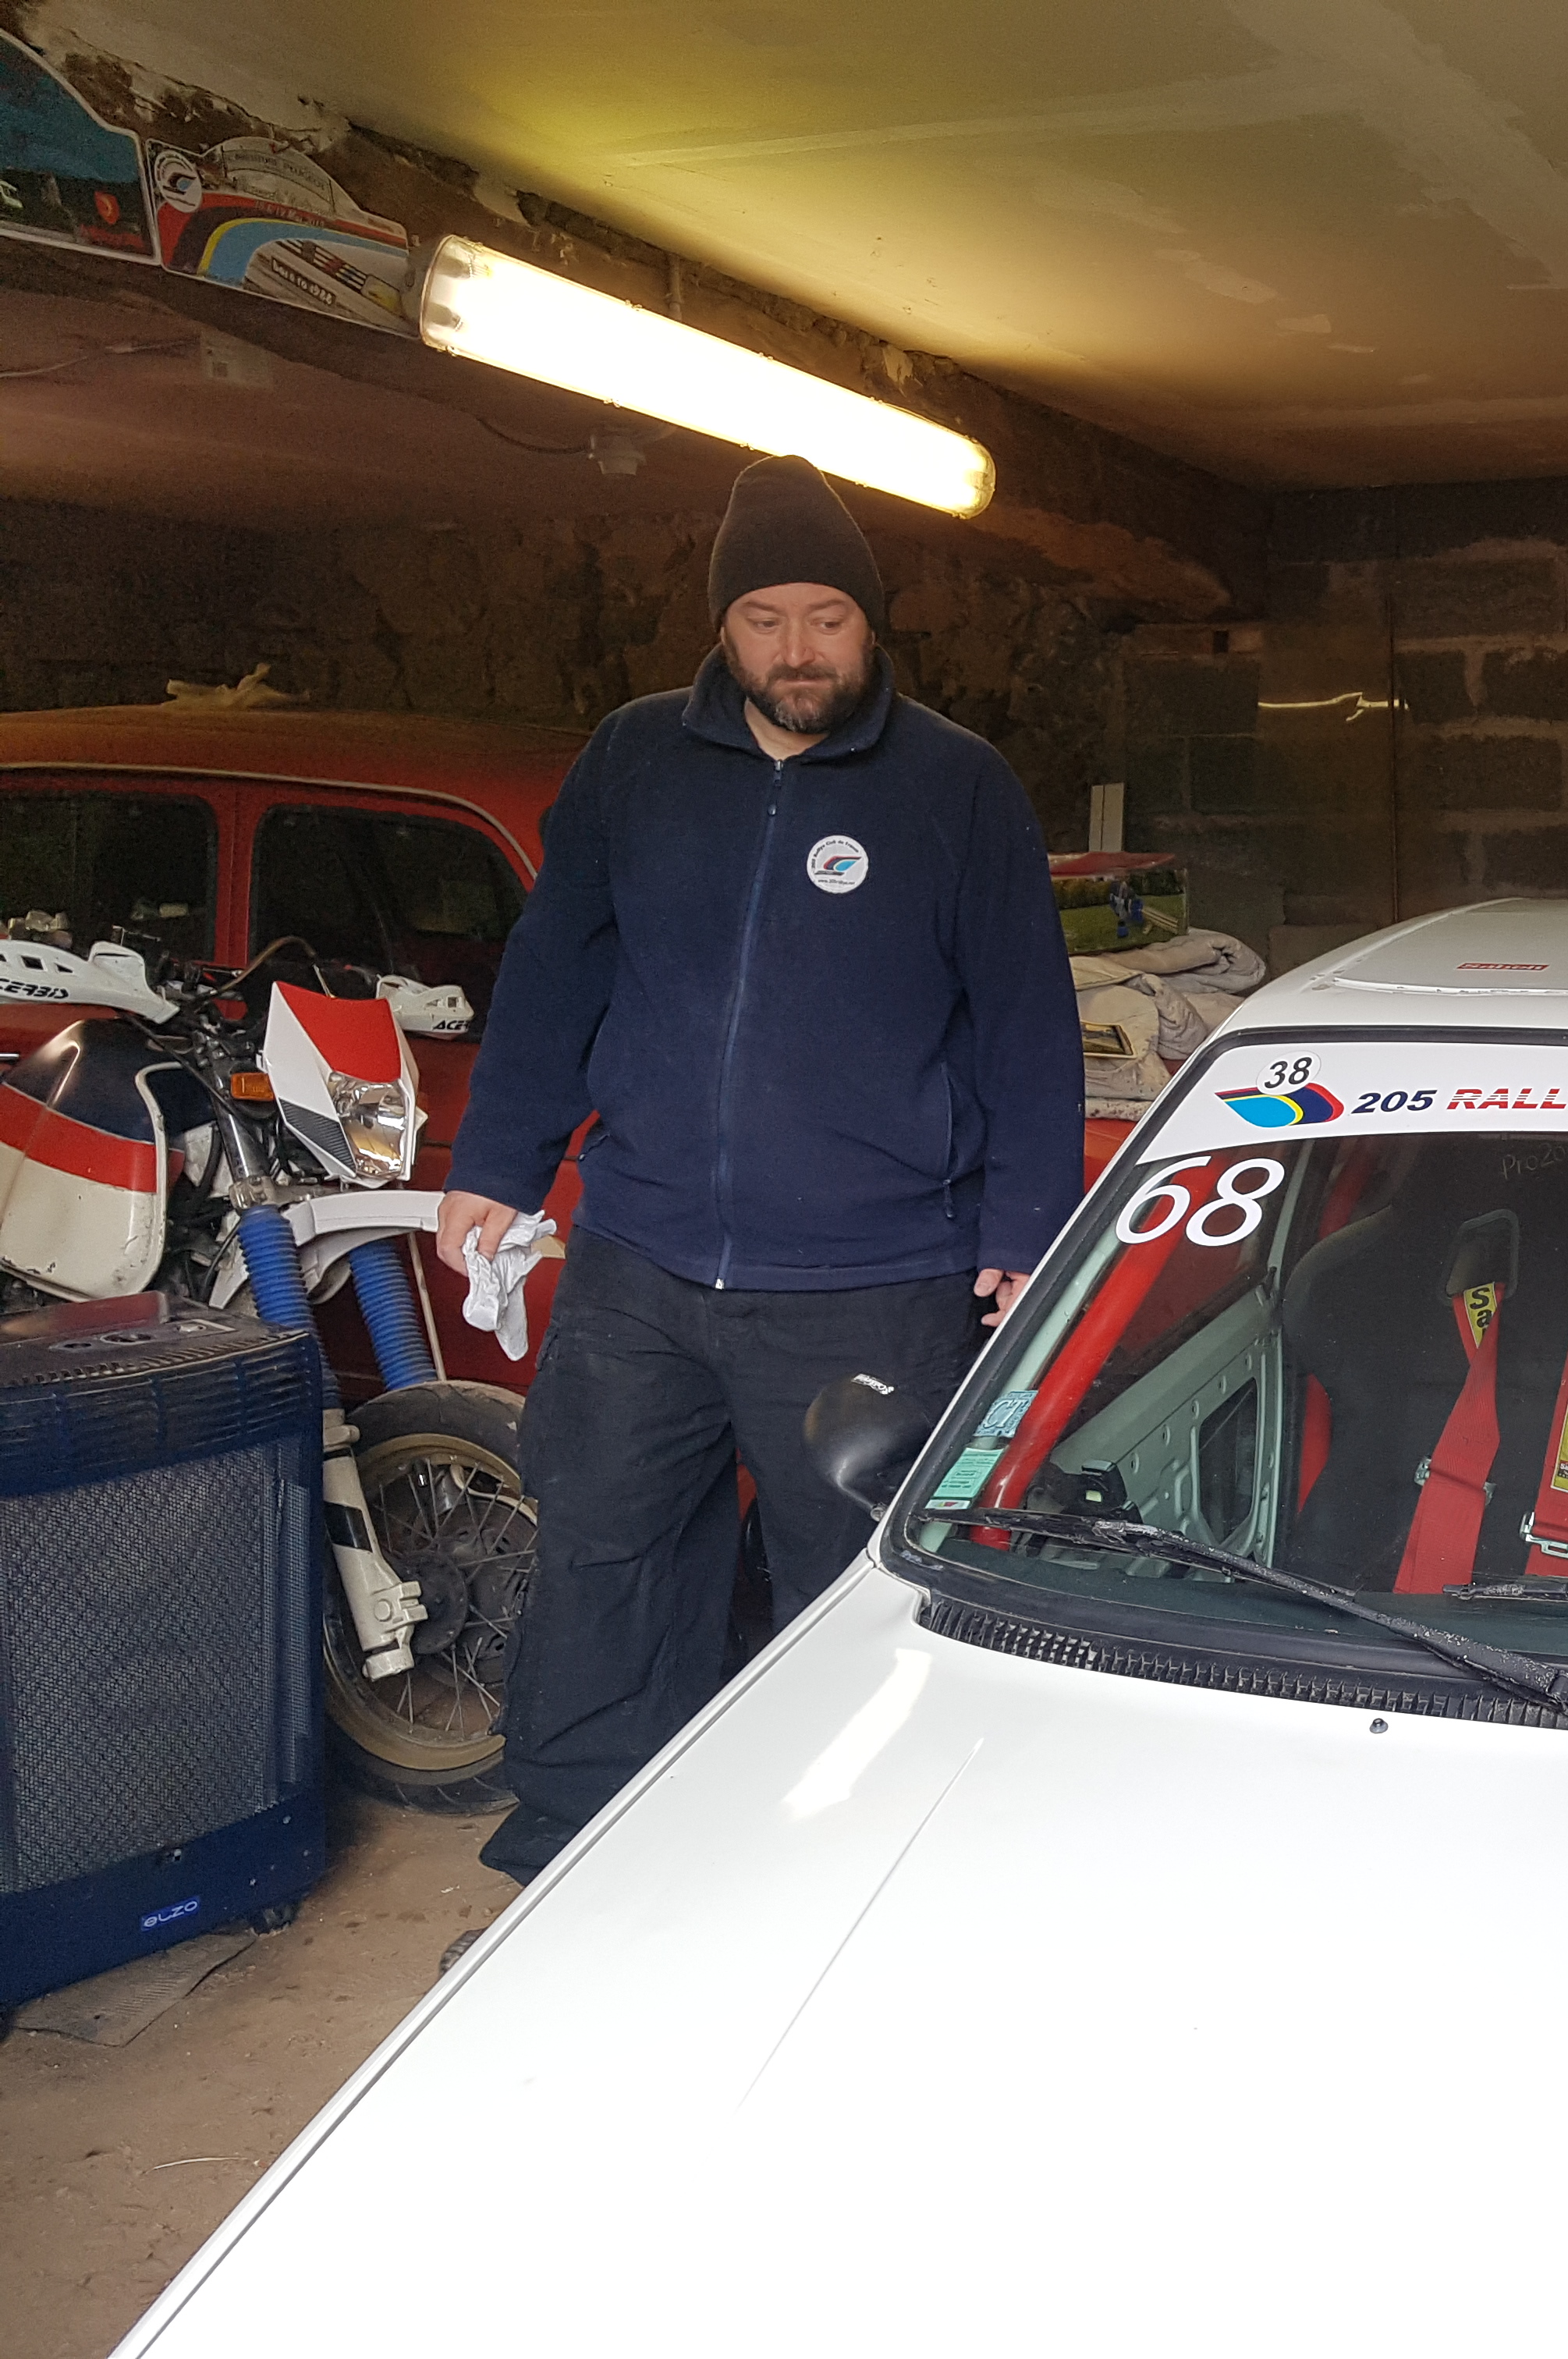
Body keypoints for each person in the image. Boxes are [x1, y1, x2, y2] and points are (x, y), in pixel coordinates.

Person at [439, 453, 1084, 1881]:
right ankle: (581, 1853)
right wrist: (499, 1155)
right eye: (765, 620)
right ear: (723, 628)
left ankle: (834, 1866)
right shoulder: (635, 760)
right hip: (643, 1259)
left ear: (872, 625)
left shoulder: (957, 786)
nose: (798, 651)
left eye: (827, 619)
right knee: (606, 1553)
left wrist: (1025, 1226)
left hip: (873, 1281)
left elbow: (1027, 1021)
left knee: (851, 1591)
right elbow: (555, 969)